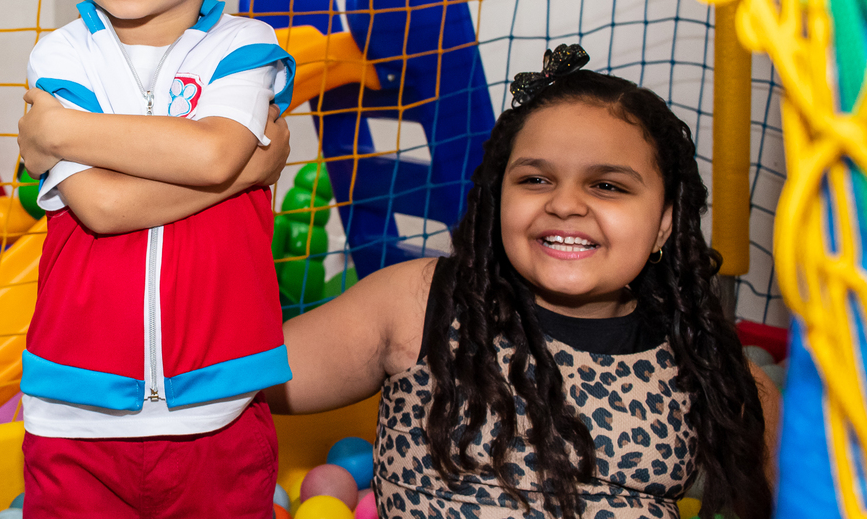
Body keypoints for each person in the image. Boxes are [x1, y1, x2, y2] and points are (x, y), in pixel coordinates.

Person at [267, 45, 780, 519]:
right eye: (535, 179)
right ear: (498, 198)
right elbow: (224, 371)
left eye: (608, 185)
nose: (565, 203)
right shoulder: (420, 303)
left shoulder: (711, 368)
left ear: (665, 222)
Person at [16, 0, 295, 518]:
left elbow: (210, 153)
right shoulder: (63, 55)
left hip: (217, 405)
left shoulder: (243, 49)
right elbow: (103, 207)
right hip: (76, 412)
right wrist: (245, 170)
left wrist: (61, 133)